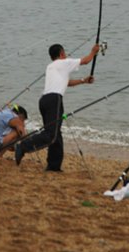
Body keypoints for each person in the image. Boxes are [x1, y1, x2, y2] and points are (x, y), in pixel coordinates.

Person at [15, 43, 100, 172]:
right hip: (54, 100)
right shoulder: (63, 63)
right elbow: (86, 61)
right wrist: (94, 51)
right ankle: (23, 146)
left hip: (44, 100)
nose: (66, 55)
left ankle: (54, 166)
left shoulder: (51, 67)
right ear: (61, 54)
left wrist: (83, 80)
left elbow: (67, 82)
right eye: (64, 53)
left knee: (56, 133)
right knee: (50, 134)